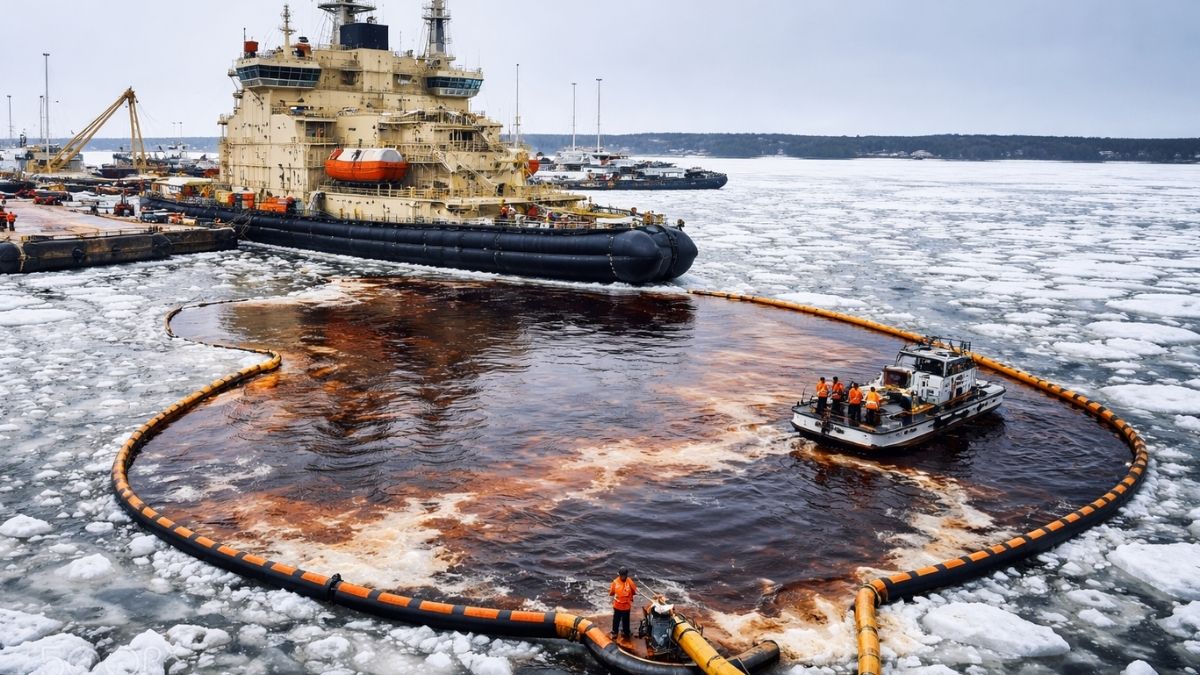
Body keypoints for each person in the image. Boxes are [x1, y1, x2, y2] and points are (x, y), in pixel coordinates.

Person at [609, 567, 637, 640]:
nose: (623, 576)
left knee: (625, 620)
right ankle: (615, 632)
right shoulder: (616, 582)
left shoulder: (628, 581)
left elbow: (634, 590)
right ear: (619, 574)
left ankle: (625, 632)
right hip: (618, 606)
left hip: (626, 606)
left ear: (626, 575)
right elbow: (611, 592)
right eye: (622, 575)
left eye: (624, 575)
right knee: (616, 620)